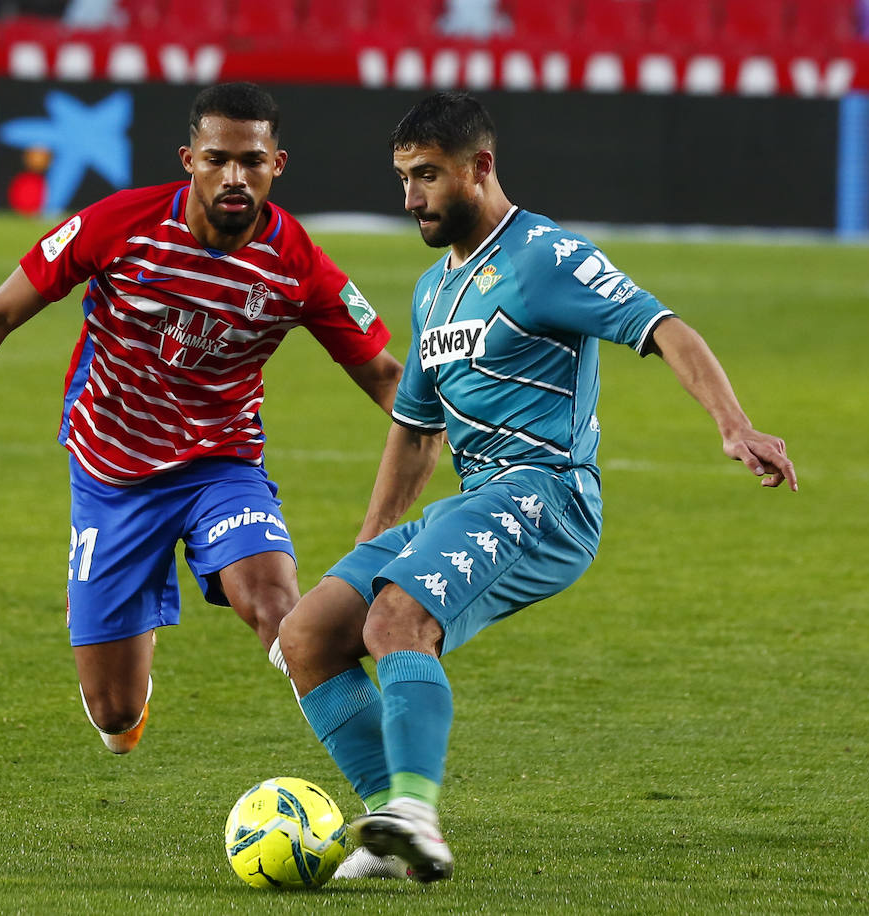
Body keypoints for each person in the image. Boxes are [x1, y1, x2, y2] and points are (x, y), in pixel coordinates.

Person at [277, 91, 798, 883]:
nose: (410, 197)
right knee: (310, 635)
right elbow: (416, 430)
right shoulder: (433, 292)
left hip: (547, 492)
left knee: (397, 619)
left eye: (427, 176)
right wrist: (369, 544)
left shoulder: (543, 256)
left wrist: (734, 424)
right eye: (403, 178)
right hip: (477, 493)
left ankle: (416, 809)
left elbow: (663, 327)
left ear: (480, 167)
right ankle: (394, 829)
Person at [0, 82, 402, 756]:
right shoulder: (119, 224)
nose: (234, 176)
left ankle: (390, 799)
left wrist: (476, 442)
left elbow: (384, 375)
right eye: (217, 158)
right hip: (111, 475)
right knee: (114, 717)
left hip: (219, 466)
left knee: (279, 609)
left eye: (252, 161)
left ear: (276, 166)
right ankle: (125, 695)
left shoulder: (298, 263)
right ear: (188, 159)